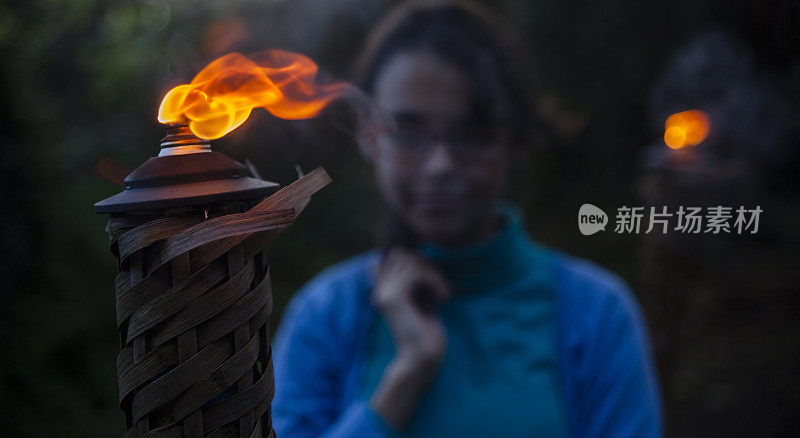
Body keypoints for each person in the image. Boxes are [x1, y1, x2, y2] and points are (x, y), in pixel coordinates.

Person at [271, 1, 662, 436]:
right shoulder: (326, 316)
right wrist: (406, 378)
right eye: (408, 129)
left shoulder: (596, 315)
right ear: (368, 133)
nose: (440, 165)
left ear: (513, 139)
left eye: (472, 133)